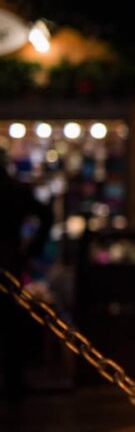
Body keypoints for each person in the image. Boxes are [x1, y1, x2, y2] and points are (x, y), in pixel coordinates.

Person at [0, 149, 53, 398]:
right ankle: (14, 380)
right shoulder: (15, 190)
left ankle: (13, 379)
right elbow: (46, 214)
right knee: (12, 323)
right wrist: (32, 250)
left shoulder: (14, 191)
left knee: (12, 322)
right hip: (10, 260)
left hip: (10, 261)